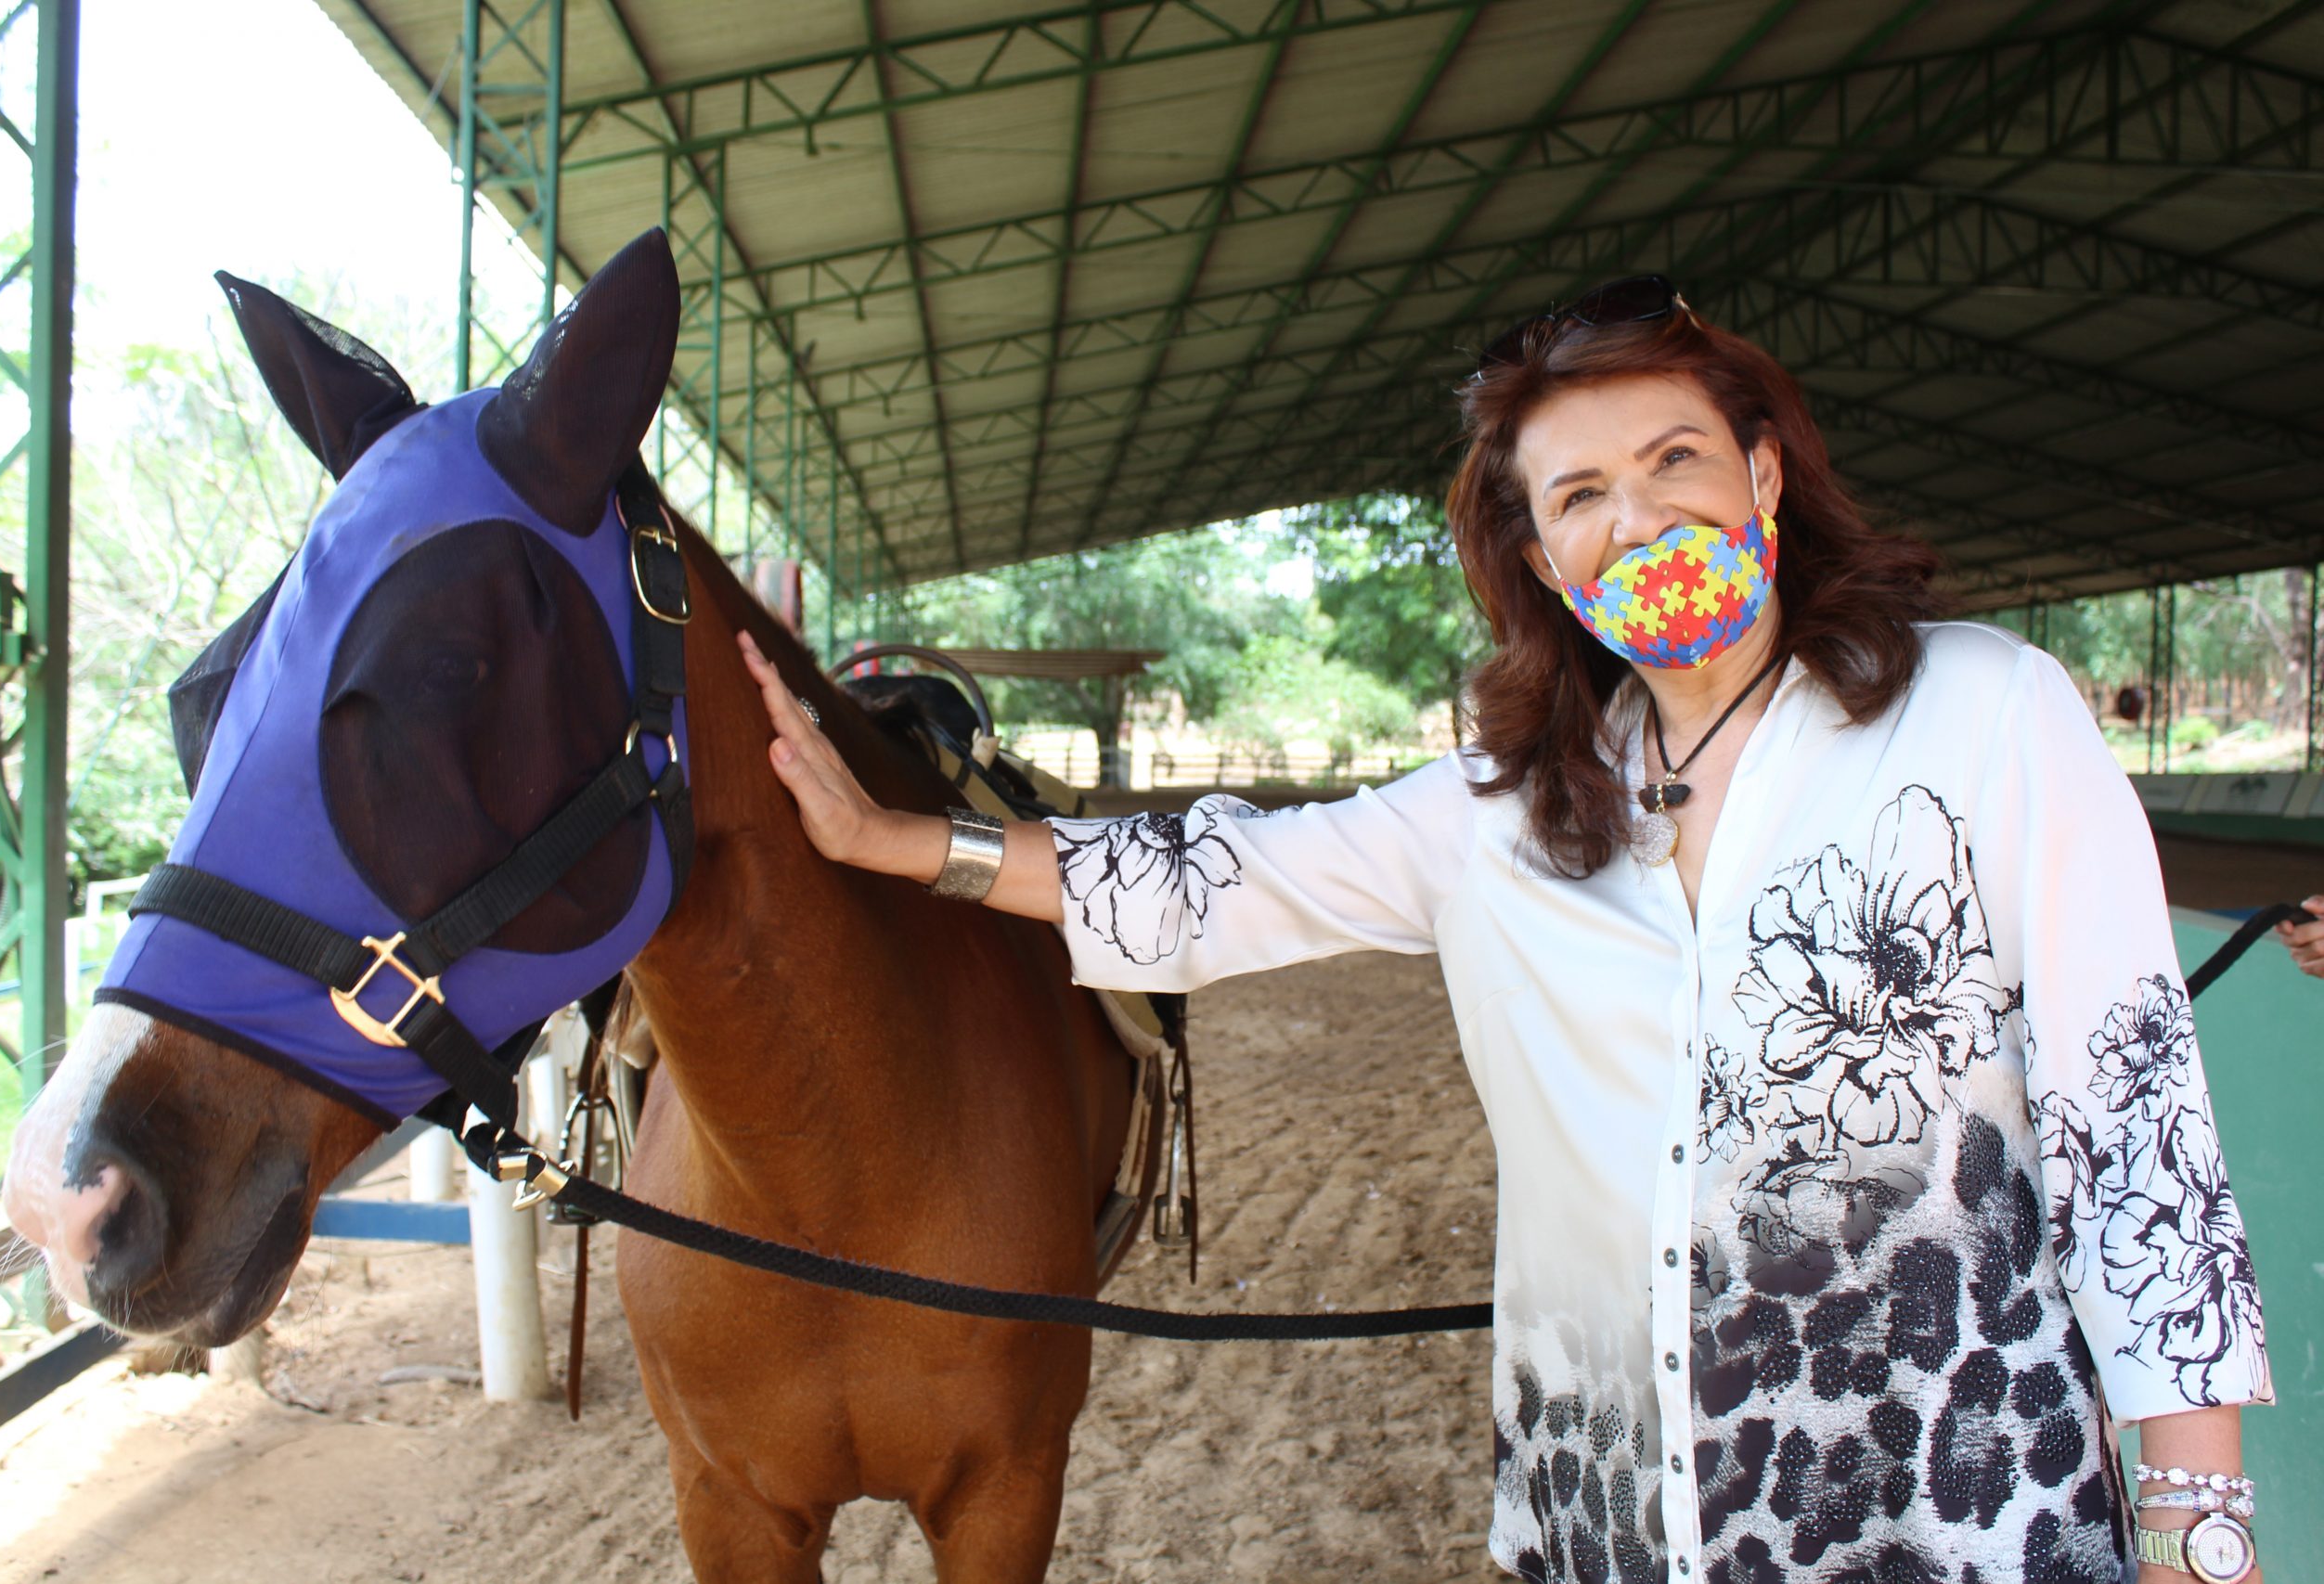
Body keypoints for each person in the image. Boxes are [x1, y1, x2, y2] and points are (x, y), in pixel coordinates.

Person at [739, 277, 2269, 1584]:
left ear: (1765, 479)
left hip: (1961, 1509)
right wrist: (894, 842)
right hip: (1617, 1521)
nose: (1639, 515)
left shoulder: (1987, 712)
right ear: (1546, 561)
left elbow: (2131, 1112)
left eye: (1675, 458)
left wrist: (2201, 1515)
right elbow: (1221, 887)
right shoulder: (1497, 812)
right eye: (1581, 495)